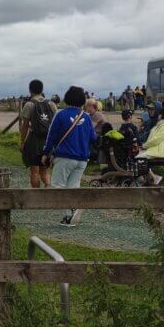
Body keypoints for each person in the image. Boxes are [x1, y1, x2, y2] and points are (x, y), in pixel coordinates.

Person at [42, 86, 96, 227]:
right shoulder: (87, 117)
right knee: (73, 186)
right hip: (82, 159)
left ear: (67, 98)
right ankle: (69, 217)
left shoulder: (61, 114)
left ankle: (73, 208)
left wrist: (45, 153)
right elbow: (93, 137)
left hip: (65, 156)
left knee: (57, 185)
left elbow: (51, 136)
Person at [19, 79, 56, 189]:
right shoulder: (51, 104)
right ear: (42, 90)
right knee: (44, 168)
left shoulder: (29, 105)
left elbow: (25, 126)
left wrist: (22, 142)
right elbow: (55, 124)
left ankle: (36, 195)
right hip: (48, 140)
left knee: (34, 170)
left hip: (34, 140)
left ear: (30, 90)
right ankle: (48, 188)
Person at [136, 105, 164, 185]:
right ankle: (150, 177)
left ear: (162, 115)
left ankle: (149, 178)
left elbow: (155, 140)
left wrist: (144, 146)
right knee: (137, 156)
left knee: (138, 158)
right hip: (159, 150)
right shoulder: (163, 125)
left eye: (159, 114)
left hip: (161, 152)